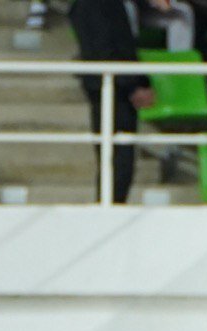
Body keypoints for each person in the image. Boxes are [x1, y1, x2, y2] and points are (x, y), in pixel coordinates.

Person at [69, 0, 156, 204]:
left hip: (115, 86)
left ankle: (110, 207)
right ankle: (109, 209)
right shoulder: (96, 5)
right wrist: (134, 85)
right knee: (117, 160)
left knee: (118, 160)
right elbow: (104, 49)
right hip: (109, 88)